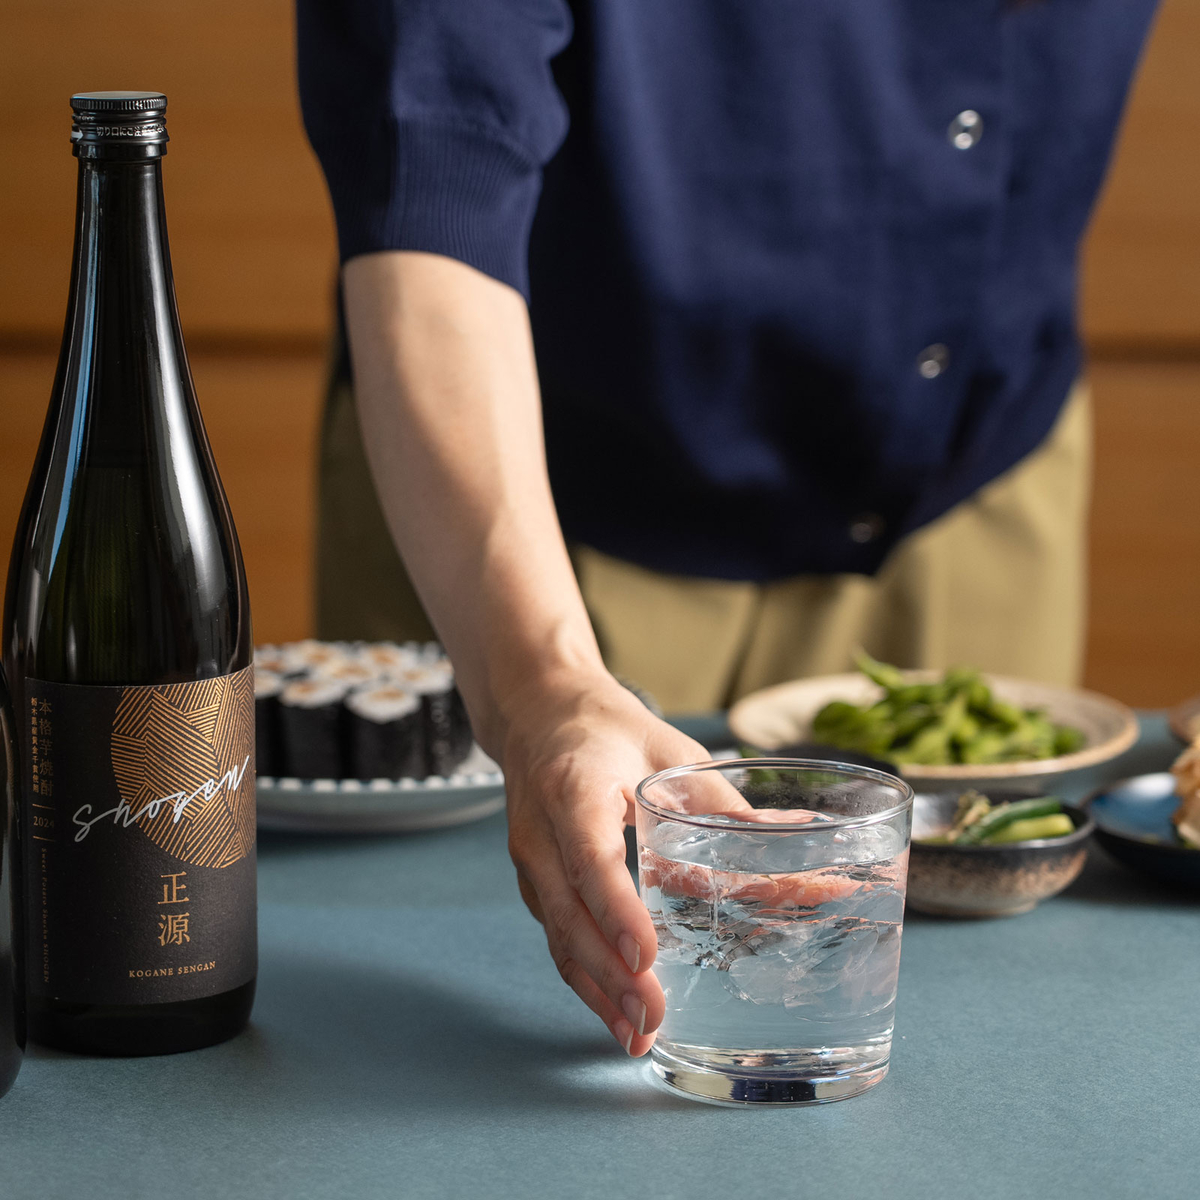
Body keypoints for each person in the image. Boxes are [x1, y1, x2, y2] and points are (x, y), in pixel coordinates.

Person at [295, 0, 1159, 1055]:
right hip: (537, 501)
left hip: (971, 479)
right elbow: (434, 147)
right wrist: (543, 687)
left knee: (998, 1037)